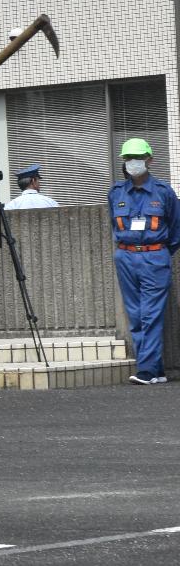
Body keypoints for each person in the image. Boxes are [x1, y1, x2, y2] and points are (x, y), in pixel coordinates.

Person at [111, 138, 178, 385]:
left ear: (149, 160)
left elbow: (176, 229)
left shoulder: (163, 192)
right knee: (136, 316)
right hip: (125, 256)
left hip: (154, 256)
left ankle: (146, 371)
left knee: (150, 313)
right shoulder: (116, 192)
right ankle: (156, 370)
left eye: (137, 157)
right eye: (128, 158)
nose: (133, 163)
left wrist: (158, 252)